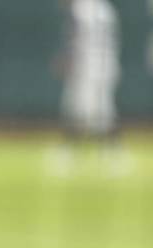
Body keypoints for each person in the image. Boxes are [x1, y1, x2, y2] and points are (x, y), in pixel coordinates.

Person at [53, 0, 126, 174]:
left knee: (85, 111)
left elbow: (74, 37)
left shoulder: (80, 9)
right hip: (107, 65)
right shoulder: (105, 8)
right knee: (99, 111)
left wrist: (67, 59)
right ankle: (106, 151)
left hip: (87, 67)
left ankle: (108, 151)